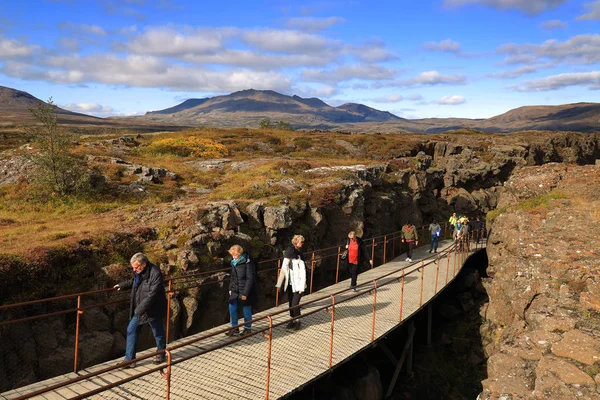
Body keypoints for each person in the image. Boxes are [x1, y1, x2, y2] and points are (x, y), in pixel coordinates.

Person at [114, 253, 167, 368]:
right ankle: (130, 360)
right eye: (133, 267)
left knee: (157, 332)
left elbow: (152, 295)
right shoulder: (139, 272)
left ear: (144, 264)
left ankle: (161, 354)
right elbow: (135, 282)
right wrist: (122, 285)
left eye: (136, 267)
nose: (134, 270)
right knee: (131, 330)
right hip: (140, 309)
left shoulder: (155, 273)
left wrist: (139, 310)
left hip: (153, 309)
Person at [275, 235, 306, 331]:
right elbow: (283, 270)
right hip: (290, 284)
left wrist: (301, 288)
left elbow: (303, 273)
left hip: (298, 284)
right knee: (290, 304)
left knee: (295, 304)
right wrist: (279, 284)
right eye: (301, 242)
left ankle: (298, 321)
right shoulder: (288, 258)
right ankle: (292, 319)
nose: (302, 244)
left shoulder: (299, 259)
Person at [226, 245, 257, 337]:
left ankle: (247, 328)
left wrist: (245, 293)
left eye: (236, 254)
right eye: (233, 255)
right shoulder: (233, 262)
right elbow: (232, 277)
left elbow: (250, 278)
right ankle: (234, 327)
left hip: (244, 289)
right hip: (235, 289)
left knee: (246, 309)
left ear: (240, 253)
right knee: (232, 307)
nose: (234, 256)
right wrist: (230, 289)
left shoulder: (247, 263)